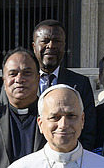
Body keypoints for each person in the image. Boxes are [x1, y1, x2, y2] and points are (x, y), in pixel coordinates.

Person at [32, 19, 97, 149]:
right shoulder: (22, 85)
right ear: (34, 46)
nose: (51, 46)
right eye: (45, 41)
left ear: (64, 46)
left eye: (57, 41)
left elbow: (88, 130)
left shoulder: (80, 84)